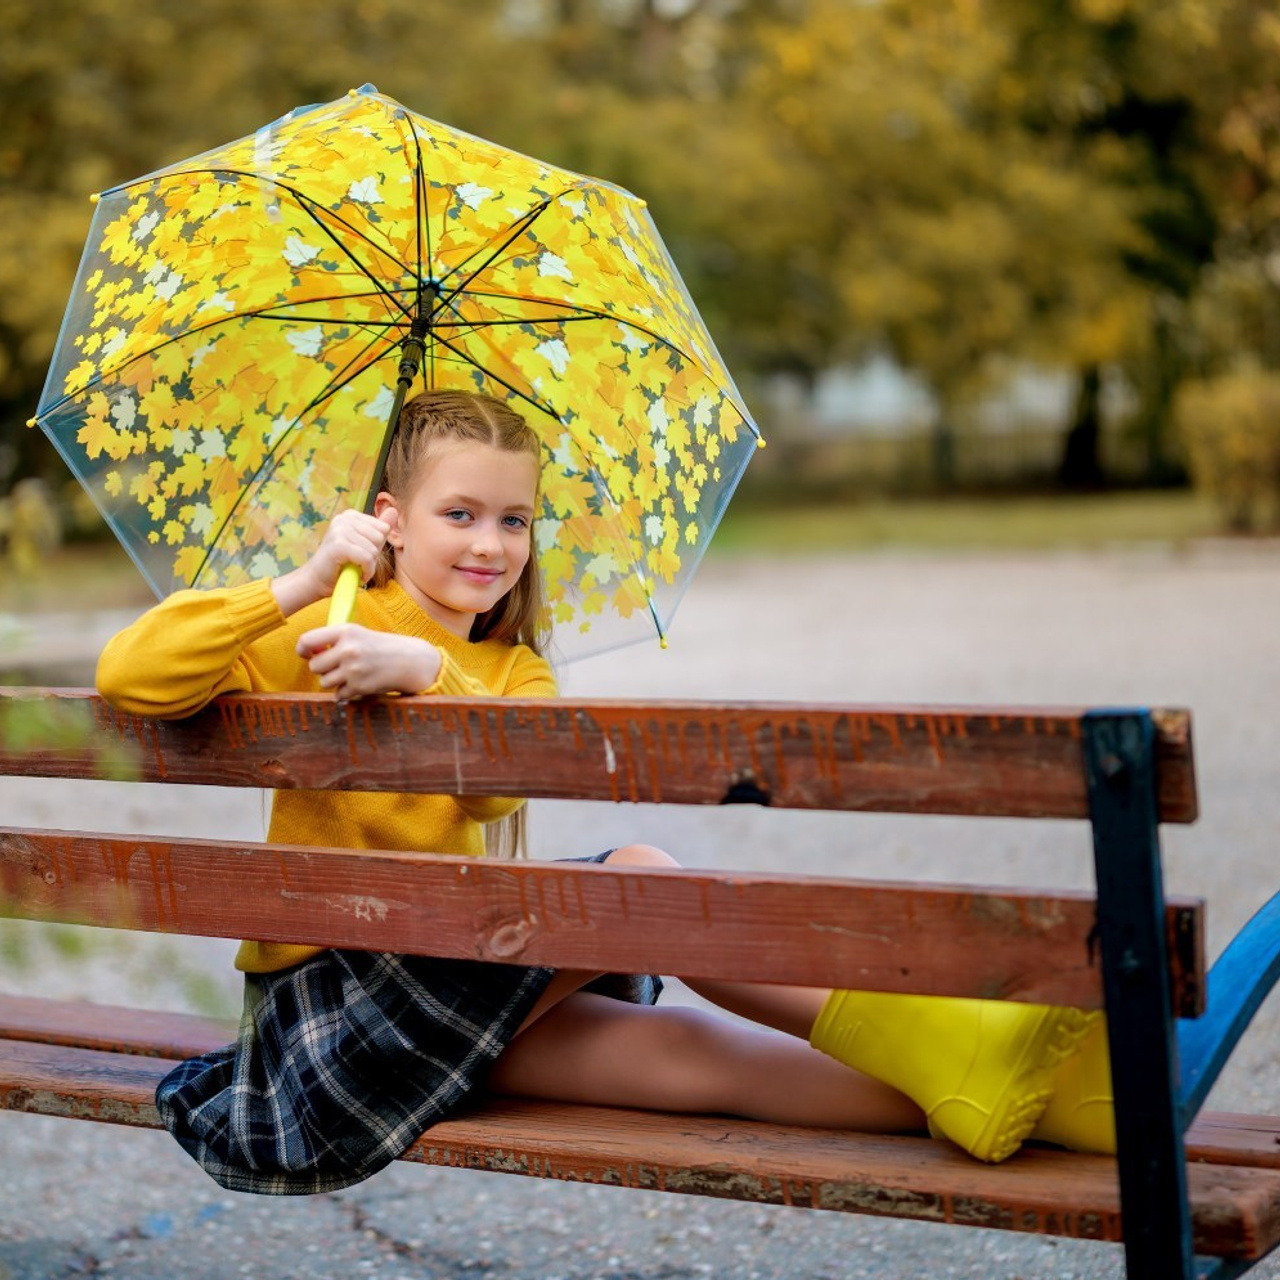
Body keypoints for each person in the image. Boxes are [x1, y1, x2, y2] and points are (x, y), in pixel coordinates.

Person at [96, 389, 1114, 1196]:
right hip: (328, 1018)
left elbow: (499, 797)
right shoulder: (314, 632)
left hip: (439, 988)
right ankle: (960, 1038)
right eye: (458, 514)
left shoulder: (514, 670)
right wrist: (300, 581)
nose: (490, 544)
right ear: (389, 521)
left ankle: (981, 1091)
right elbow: (131, 677)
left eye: (513, 519)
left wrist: (424, 670)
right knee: (638, 880)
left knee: (684, 1051)